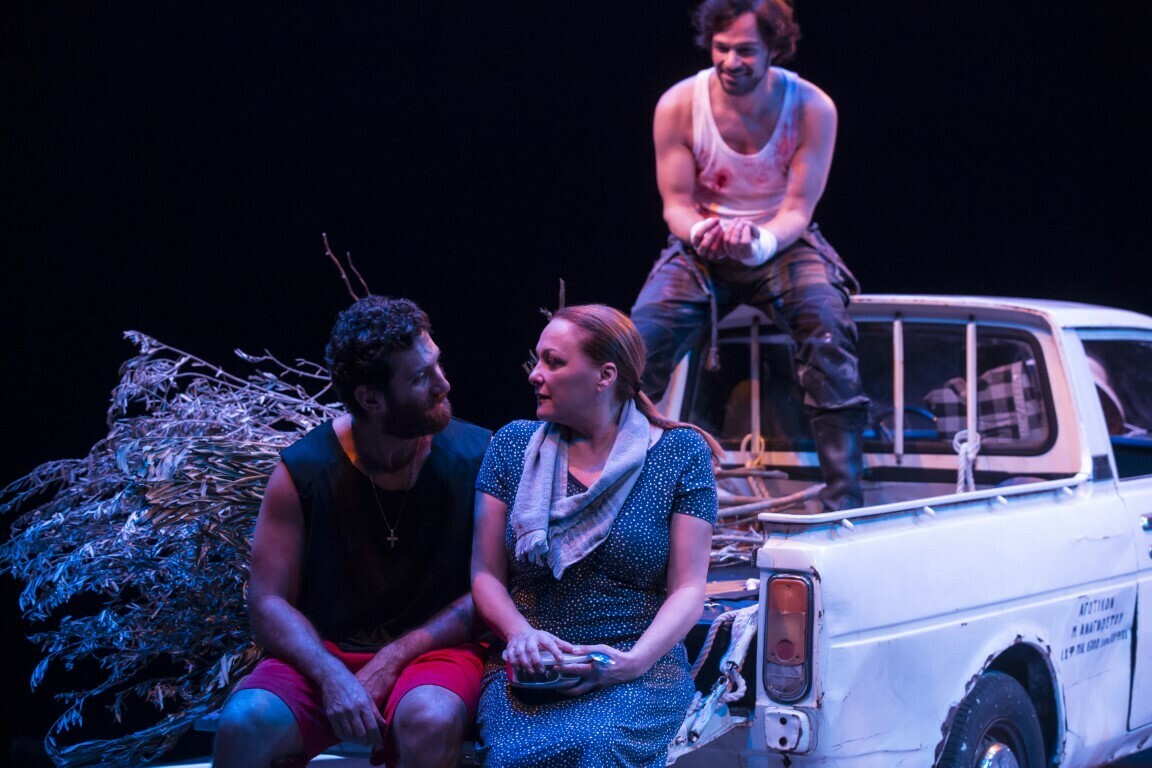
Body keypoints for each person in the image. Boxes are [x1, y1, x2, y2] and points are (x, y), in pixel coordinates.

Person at [213, 296, 491, 768]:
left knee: (429, 719)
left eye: (437, 364)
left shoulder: (478, 457)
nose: (443, 384)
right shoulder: (304, 471)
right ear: (371, 399)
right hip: (325, 652)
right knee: (245, 724)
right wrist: (329, 675)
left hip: (434, 651)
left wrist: (393, 657)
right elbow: (268, 601)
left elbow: (490, 588)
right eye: (420, 377)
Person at [630, 0, 869, 511]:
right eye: (721, 48)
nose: (730, 62)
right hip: (702, 246)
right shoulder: (679, 104)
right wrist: (703, 231)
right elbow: (675, 205)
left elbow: (798, 209)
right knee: (637, 344)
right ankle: (618, 488)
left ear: (773, 49)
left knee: (827, 327)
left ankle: (844, 501)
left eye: (745, 51)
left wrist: (758, 242)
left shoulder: (811, 107)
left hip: (781, 243)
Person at [471, 304, 721, 767]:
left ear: (605, 375)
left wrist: (633, 662)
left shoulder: (678, 452)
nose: (535, 374)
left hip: (637, 667)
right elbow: (485, 573)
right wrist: (518, 634)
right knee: (508, 756)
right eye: (539, 360)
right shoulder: (512, 445)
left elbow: (689, 587)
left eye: (553, 361)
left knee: (600, 745)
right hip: (533, 669)